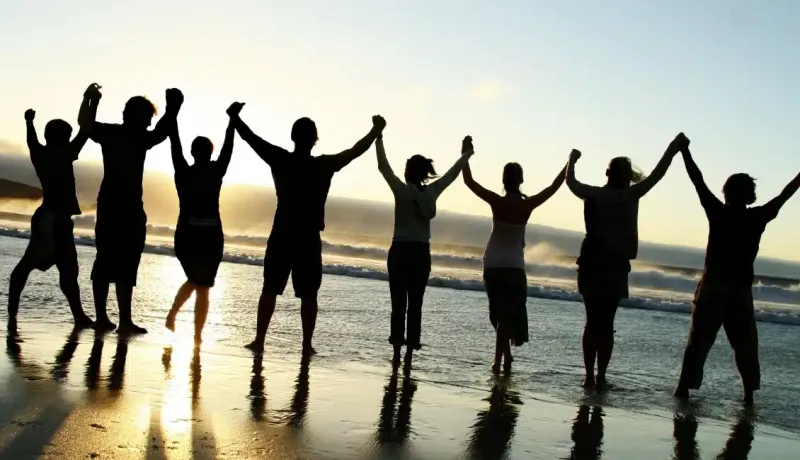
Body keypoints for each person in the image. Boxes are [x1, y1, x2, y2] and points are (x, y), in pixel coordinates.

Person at [233, 109, 387, 355]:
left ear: (293, 136)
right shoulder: (323, 165)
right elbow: (354, 151)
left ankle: (260, 340)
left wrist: (236, 118)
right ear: (314, 139)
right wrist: (376, 131)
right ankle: (306, 345)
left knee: (271, 288)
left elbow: (251, 139)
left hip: (282, 232)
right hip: (307, 237)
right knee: (308, 294)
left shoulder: (281, 159)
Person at [674, 137, 800, 404]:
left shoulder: (718, 213)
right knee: (744, 344)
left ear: (727, 191)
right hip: (739, 291)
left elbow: (697, 180)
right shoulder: (757, 217)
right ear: (749, 195)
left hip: (713, 287)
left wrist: (684, 150)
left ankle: (683, 389)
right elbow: (786, 194)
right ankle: (748, 394)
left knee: (698, 342)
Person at [566, 134, 685, 388]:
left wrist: (572, 160)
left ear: (607, 172)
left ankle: (589, 376)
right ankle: (600, 376)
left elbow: (571, 182)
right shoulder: (632, 194)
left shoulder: (593, 194)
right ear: (627, 175)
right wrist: (673, 147)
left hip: (591, 264)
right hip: (615, 266)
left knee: (592, 321)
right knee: (606, 324)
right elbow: (658, 173)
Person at [462, 138, 568, 373]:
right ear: (521, 180)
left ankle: (502, 360)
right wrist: (569, 164)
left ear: (503, 181)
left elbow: (469, 181)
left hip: (492, 264)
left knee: (497, 314)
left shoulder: (497, 201)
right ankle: (501, 359)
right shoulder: (526, 205)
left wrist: (466, 153)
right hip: (513, 267)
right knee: (507, 315)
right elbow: (553, 188)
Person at [87, 86, 184, 334]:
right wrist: (173, 107)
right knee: (113, 261)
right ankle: (107, 318)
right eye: (147, 118)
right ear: (133, 116)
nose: (149, 123)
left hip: (125, 207)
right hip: (117, 207)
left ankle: (120, 320)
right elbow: (87, 125)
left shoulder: (123, 135)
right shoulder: (122, 135)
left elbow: (160, 131)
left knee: (123, 262)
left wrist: (173, 108)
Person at [7, 84, 101, 333]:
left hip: (45, 216)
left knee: (32, 265)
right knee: (66, 268)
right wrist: (92, 102)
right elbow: (87, 129)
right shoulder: (66, 152)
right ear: (62, 138)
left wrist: (29, 122)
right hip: (56, 219)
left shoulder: (40, 153)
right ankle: (78, 315)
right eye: (66, 136)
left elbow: (31, 140)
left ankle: (13, 310)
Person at [376, 131, 473, 365]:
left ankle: (397, 354)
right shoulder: (431, 192)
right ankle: (409, 355)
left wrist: (378, 137)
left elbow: (383, 166)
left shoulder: (400, 190)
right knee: (415, 305)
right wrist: (466, 154)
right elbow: (451, 175)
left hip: (399, 252)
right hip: (420, 254)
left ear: (409, 172)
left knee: (398, 303)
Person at [164, 102, 241, 343]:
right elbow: (228, 149)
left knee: (198, 283)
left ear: (193, 152)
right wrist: (232, 121)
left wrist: (172, 112)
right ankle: (195, 333)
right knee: (202, 286)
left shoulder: (183, 171)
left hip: (188, 234)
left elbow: (174, 142)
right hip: (207, 236)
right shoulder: (214, 171)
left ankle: (176, 318)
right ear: (209, 152)